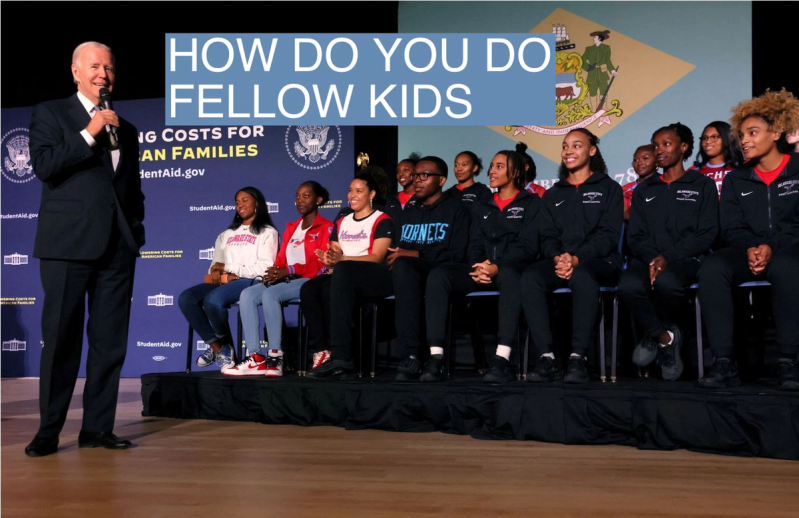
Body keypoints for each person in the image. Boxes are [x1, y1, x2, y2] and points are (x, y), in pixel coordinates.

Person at [25, 42, 145, 457]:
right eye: (95, 66)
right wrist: (89, 132)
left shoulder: (126, 128)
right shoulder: (51, 113)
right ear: (76, 72)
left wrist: (135, 232)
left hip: (117, 247)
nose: (103, 74)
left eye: (109, 68)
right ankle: (48, 431)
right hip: (67, 245)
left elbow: (131, 188)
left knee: (110, 344)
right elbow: (44, 166)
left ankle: (97, 428)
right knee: (61, 342)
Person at [698, 89, 799, 390]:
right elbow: (731, 227)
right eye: (741, 135)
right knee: (712, 268)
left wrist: (772, 247)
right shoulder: (736, 178)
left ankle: (788, 361)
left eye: (753, 133)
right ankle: (724, 362)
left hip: (790, 249)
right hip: (750, 251)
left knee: (785, 266)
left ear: (776, 133)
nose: (744, 141)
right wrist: (750, 248)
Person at [421, 150, 541, 383]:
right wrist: (477, 266)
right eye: (492, 166)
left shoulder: (531, 202)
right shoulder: (482, 205)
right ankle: (436, 357)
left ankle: (501, 359)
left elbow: (527, 246)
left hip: (511, 269)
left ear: (515, 172)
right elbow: (473, 242)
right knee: (439, 274)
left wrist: (497, 265)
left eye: (499, 167)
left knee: (509, 275)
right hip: (481, 270)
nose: (491, 171)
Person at [522, 128, 623, 384]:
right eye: (565, 146)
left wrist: (577, 259)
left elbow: (608, 235)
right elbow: (547, 235)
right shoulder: (553, 194)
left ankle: (578, 358)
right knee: (531, 277)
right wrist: (558, 258)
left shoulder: (609, 188)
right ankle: (548, 358)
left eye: (577, 145)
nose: (569, 151)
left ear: (592, 150)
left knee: (583, 276)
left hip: (600, 262)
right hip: (562, 262)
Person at [619, 123, 718, 381]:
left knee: (668, 283)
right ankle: (664, 336)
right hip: (648, 259)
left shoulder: (702, 184)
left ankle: (654, 333)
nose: (659, 150)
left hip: (686, 259)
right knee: (628, 285)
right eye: (656, 145)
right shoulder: (645, 189)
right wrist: (654, 259)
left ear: (683, 147)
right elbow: (636, 235)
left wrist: (668, 258)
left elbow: (706, 233)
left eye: (666, 144)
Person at [227, 181, 332, 377]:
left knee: (271, 295)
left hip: (309, 281)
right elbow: (282, 258)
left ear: (318, 200)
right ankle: (255, 357)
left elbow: (320, 266)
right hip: (287, 278)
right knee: (248, 294)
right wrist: (275, 272)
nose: (300, 201)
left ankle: (276, 355)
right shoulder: (292, 228)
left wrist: (289, 270)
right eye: (297, 197)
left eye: (306, 196)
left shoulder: (326, 228)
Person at [388, 156, 472, 381]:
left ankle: (435, 357)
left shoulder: (456, 210)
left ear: (441, 180)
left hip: (442, 271)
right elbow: (398, 250)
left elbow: (457, 254)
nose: (417, 180)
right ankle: (410, 356)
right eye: (415, 175)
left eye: (424, 175)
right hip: (410, 273)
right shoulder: (409, 211)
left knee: (419, 269)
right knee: (402, 267)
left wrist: (418, 254)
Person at [304, 173, 395, 378]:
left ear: (371, 194)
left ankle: (342, 357)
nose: (352, 195)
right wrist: (329, 258)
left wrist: (342, 259)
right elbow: (335, 252)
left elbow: (377, 257)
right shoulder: (342, 221)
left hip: (373, 275)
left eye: (359, 191)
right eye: (350, 190)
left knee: (342, 273)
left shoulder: (382, 220)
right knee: (310, 288)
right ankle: (324, 352)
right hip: (344, 274)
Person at [178, 187, 279, 372]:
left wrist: (230, 268)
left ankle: (223, 345)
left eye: (245, 200)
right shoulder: (226, 235)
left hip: (251, 281)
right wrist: (218, 272)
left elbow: (265, 268)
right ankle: (219, 348)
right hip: (225, 281)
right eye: (237, 202)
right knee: (187, 298)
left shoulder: (267, 232)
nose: (240, 205)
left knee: (213, 300)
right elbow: (215, 265)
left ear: (257, 203)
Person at [690, 121, 744, 196]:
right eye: (705, 138)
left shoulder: (743, 167)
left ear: (727, 138)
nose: (708, 141)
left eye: (714, 137)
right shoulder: (693, 172)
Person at [581, 30, 617, 112]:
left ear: (599, 38)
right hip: (592, 73)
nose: (593, 39)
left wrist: (612, 70)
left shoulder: (606, 48)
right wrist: (588, 67)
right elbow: (582, 60)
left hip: (602, 73)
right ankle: (593, 109)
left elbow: (608, 61)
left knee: (604, 91)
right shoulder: (588, 49)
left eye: (595, 37)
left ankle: (604, 108)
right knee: (592, 92)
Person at [621, 144, 658, 221]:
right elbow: (624, 215)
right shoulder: (625, 190)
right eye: (635, 160)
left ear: (657, 162)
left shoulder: (666, 185)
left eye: (645, 158)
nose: (639, 163)